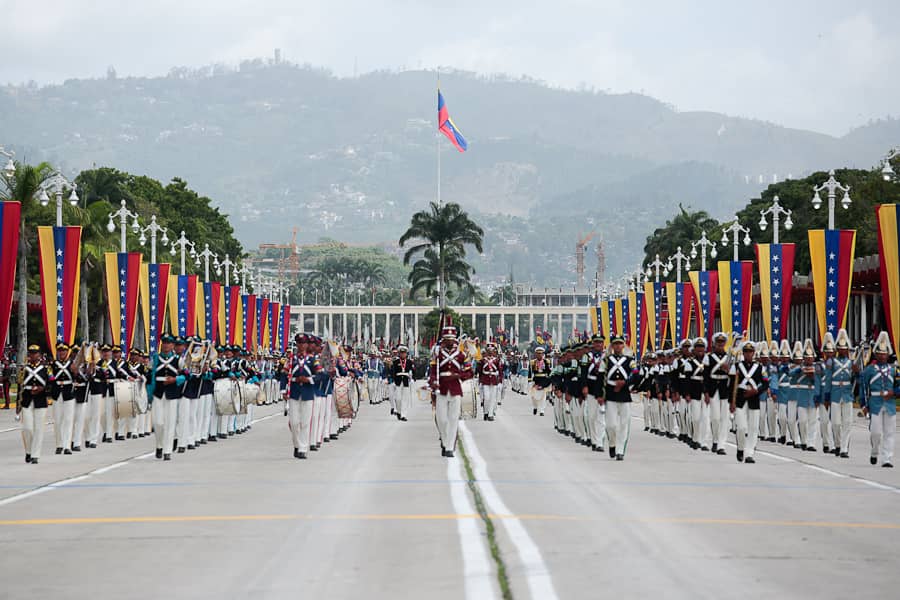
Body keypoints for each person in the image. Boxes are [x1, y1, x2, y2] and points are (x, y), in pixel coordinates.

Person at [429, 325, 472, 457]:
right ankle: (444, 439)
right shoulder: (437, 354)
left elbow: (469, 371)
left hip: (455, 388)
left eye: (451, 339)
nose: (448, 341)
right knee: (441, 419)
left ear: (455, 340)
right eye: (446, 339)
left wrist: (459, 376)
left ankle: (449, 447)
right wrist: (433, 382)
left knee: (453, 419)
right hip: (441, 388)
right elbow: (432, 371)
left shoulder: (461, 355)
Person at [860, 332, 897, 467]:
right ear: (876, 354)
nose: (882, 356)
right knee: (876, 432)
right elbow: (863, 388)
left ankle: (886, 458)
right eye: (880, 353)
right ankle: (874, 451)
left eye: (884, 353)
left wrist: (894, 392)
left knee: (889, 432)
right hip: (875, 403)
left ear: (888, 354)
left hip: (890, 404)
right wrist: (863, 404)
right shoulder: (869, 370)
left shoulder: (894, 370)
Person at [729, 341, 769, 463]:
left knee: (753, 428)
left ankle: (750, 453)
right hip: (740, 397)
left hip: (754, 398)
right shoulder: (736, 366)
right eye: (746, 352)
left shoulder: (760, 367)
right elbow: (731, 385)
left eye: (750, 352)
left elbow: (766, 383)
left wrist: (756, 391)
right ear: (743, 353)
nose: (748, 354)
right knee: (741, 427)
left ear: (753, 353)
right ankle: (740, 448)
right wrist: (731, 402)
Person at [149, 334, 184, 460]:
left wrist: (176, 379)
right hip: (158, 392)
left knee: (170, 422)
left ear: (173, 345)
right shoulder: (155, 358)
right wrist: (149, 395)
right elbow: (150, 375)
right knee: (158, 423)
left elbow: (186, 375)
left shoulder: (178, 360)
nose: (166, 345)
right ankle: (159, 445)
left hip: (172, 393)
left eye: (169, 343)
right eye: (164, 342)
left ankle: (167, 450)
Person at [826, 329, 856, 458]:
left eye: (845, 348)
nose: (843, 350)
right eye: (841, 348)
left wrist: (857, 372)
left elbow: (858, 380)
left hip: (847, 394)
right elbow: (827, 379)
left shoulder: (852, 363)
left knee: (847, 422)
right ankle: (838, 444)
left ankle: (844, 449)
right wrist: (826, 396)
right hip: (835, 394)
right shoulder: (831, 361)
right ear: (837, 349)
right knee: (836, 423)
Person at [604, 335, 634, 461]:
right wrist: (601, 395)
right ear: (612, 346)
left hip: (624, 395)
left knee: (624, 424)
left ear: (623, 345)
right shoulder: (606, 360)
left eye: (620, 344)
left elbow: (636, 374)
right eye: (615, 344)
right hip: (611, 394)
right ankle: (612, 443)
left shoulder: (629, 360)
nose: (617, 346)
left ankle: (620, 450)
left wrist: (625, 383)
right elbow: (602, 377)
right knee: (611, 425)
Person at [19, 345, 50, 464]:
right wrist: (18, 405)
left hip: (40, 401)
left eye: (35, 353)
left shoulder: (46, 369)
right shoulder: (24, 369)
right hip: (27, 400)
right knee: (27, 428)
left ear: (40, 355)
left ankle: (35, 454)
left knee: (38, 429)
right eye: (31, 353)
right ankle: (28, 451)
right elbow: (20, 386)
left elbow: (51, 384)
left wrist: (43, 389)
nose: (33, 355)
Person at [288, 334, 316, 459]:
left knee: (305, 422)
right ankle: (296, 444)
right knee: (294, 423)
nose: (301, 345)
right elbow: (284, 375)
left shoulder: (312, 360)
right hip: (294, 392)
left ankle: (303, 448)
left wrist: (308, 379)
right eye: (299, 343)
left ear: (307, 345)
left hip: (307, 393)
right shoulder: (291, 359)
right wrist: (284, 390)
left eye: (304, 343)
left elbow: (320, 374)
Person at [49, 343, 76, 455]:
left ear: (67, 351)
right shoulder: (53, 364)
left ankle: (67, 446)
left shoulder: (72, 364)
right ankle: (59, 445)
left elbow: (78, 377)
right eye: (60, 350)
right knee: (58, 420)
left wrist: (75, 371)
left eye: (64, 350)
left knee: (68, 420)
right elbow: (50, 378)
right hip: (57, 393)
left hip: (68, 392)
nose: (62, 353)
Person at [581, 335, 606, 452]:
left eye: (600, 342)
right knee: (591, 416)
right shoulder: (587, 356)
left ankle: (599, 442)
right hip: (590, 388)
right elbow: (583, 373)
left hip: (602, 389)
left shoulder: (607, 356)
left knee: (601, 417)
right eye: (596, 342)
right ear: (593, 344)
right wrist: (584, 386)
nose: (598, 344)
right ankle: (594, 439)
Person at [476, 342, 502, 421]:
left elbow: (500, 371)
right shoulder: (482, 361)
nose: (490, 351)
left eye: (492, 349)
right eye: (489, 350)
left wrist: (500, 381)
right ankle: (485, 412)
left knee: (492, 398)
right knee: (486, 397)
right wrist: (480, 381)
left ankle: (490, 414)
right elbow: (480, 372)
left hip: (494, 381)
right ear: (486, 351)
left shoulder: (497, 360)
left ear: (494, 351)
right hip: (485, 380)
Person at [392, 345, 415, 421]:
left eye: (404, 353)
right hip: (398, 381)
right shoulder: (395, 362)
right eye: (401, 353)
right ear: (399, 354)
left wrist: (412, 379)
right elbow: (393, 372)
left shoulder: (409, 362)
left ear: (406, 353)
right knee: (398, 398)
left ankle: (403, 415)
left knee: (405, 399)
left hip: (406, 381)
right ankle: (399, 412)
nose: (403, 354)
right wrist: (393, 381)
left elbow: (413, 371)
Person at [528, 346, 552, 417]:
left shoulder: (546, 361)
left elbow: (549, 371)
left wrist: (550, 379)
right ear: (535, 354)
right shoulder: (532, 362)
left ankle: (542, 410)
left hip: (543, 379)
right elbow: (530, 372)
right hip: (536, 380)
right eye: (538, 353)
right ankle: (535, 407)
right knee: (533, 396)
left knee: (543, 396)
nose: (539, 355)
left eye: (541, 353)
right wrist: (529, 381)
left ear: (543, 354)